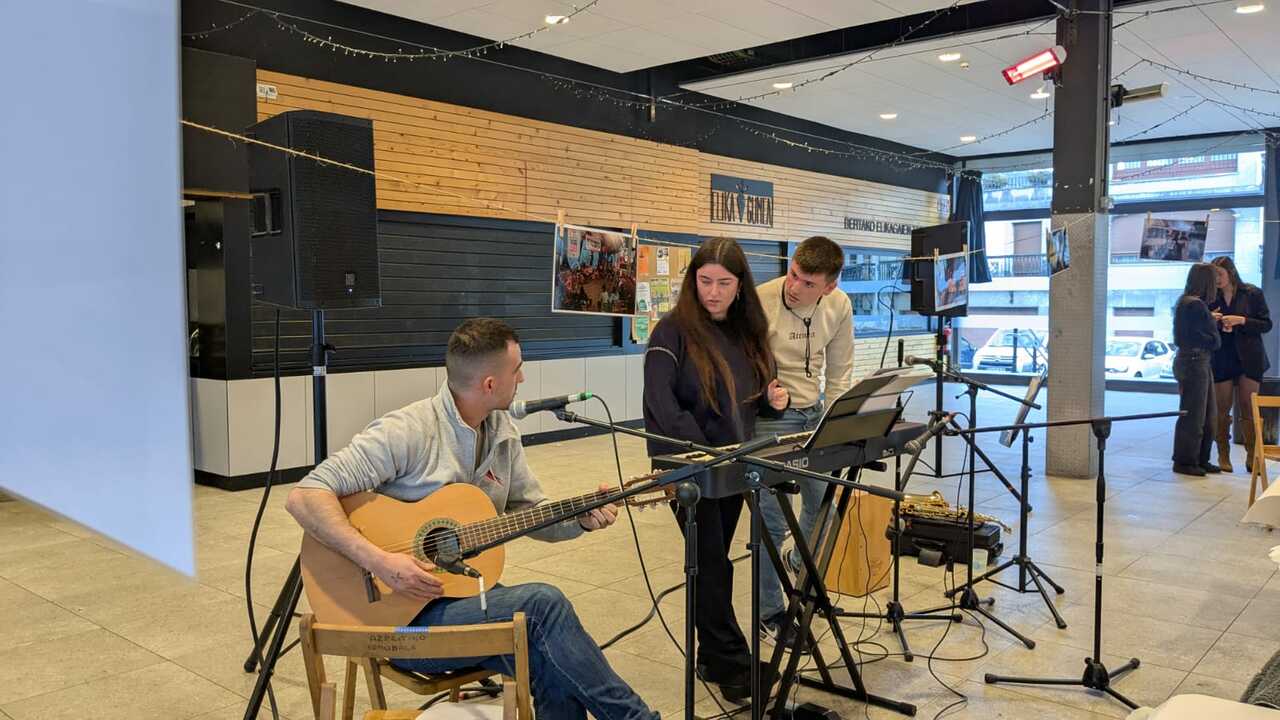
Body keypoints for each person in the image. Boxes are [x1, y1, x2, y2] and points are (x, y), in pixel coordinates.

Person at [285, 318, 660, 720]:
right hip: (399, 627)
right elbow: (304, 496)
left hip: (460, 599)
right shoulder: (407, 430)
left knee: (550, 656)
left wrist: (580, 519)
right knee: (542, 604)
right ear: (490, 384)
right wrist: (379, 561)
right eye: (517, 370)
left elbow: (530, 513)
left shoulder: (502, 432)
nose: (523, 378)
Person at [643, 237, 789, 703]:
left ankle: (710, 656)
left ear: (740, 285)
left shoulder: (747, 333)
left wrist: (773, 401)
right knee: (709, 563)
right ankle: (731, 663)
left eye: (724, 283)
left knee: (715, 560)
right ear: (693, 281)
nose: (713, 292)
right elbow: (662, 404)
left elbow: (752, 399)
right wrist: (705, 453)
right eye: (705, 281)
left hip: (732, 465)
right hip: (687, 467)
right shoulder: (671, 332)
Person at [752, 236, 854, 645]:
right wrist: (763, 394)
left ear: (829, 286)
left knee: (826, 507)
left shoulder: (839, 305)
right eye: (793, 274)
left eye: (808, 283)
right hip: (771, 418)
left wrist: (838, 421)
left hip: (816, 414)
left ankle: (798, 561)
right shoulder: (760, 301)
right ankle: (769, 613)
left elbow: (841, 371)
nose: (794, 287)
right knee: (771, 521)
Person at [1209, 256, 1273, 472]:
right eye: (1213, 275)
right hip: (1222, 356)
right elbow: (1204, 326)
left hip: (1249, 357)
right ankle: (1223, 454)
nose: (1217, 279)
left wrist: (1241, 320)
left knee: (1248, 407)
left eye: (1220, 274)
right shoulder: (1211, 296)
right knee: (1221, 408)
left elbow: (1266, 324)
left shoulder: (1252, 293)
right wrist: (1213, 321)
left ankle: (1252, 456)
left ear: (1231, 272)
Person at [1172, 263, 1222, 477]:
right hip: (1196, 361)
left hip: (1190, 360)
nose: (1217, 284)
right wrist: (1212, 325)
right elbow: (1209, 340)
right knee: (1196, 415)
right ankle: (1187, 461)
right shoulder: (1196, 305)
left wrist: (1209, 319)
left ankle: (1197, 459)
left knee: (1202, 413)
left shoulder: (1185, 302)